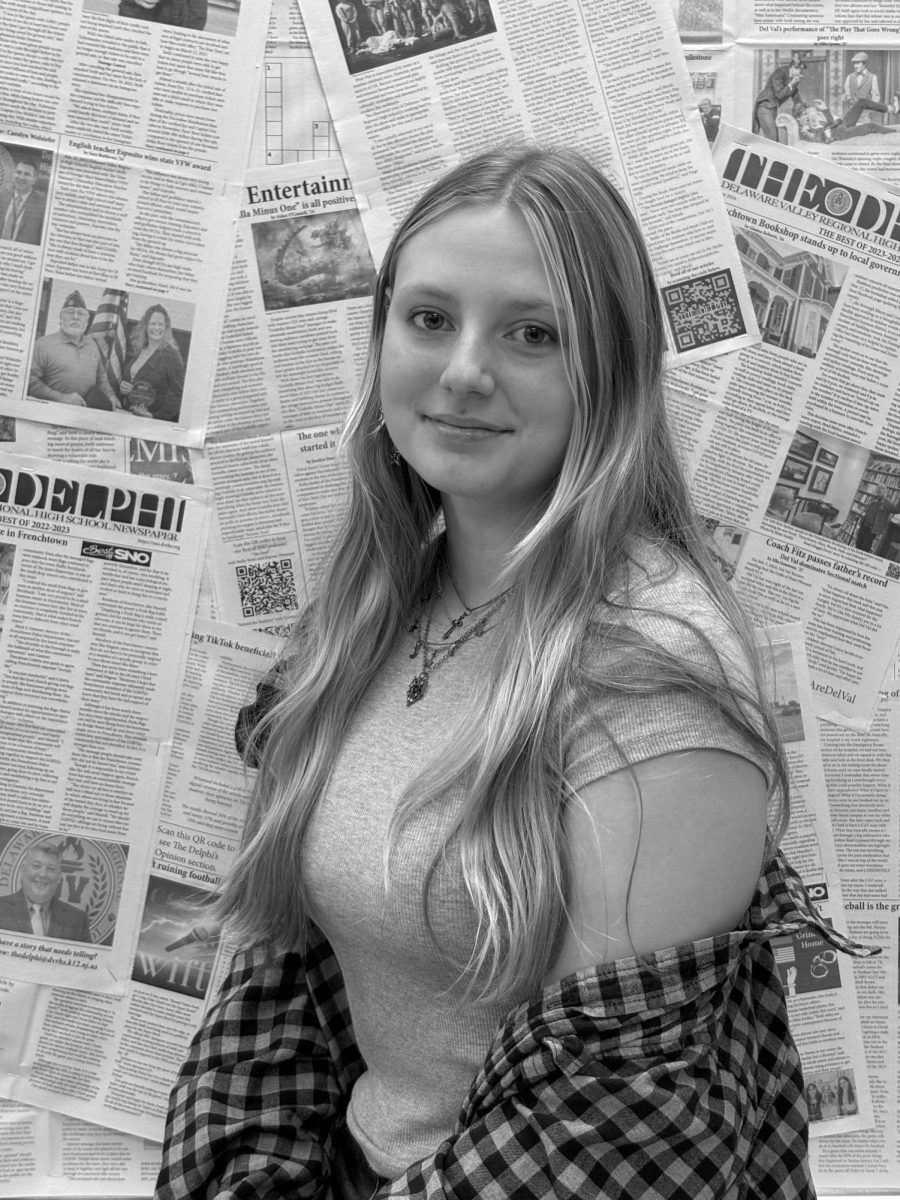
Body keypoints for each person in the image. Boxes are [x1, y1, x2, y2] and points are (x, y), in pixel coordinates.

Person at [156, 145, 875, 1200]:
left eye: (533, 334)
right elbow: (288, 985)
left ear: (609, 371)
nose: (462, 371)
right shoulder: (378, 606)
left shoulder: (649, 668)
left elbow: (606, 1136)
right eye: (429, 318)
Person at [28, 291, 118, 410]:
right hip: (52, 410)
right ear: (61, 318)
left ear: (87, 321)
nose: (75, 317)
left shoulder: (92, 345)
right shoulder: (43, 344)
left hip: (85, 412)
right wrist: (60, 397)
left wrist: (110, 395)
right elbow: (30, 381)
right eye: (70, 312)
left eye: (80, 313)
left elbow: (101, 377)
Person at [0, 844, 91, 942]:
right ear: (23, 869)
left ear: (59, 877)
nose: (43, 874)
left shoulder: (78, 919)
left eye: (50, 869)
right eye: (36, 866)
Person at [117, 304, 185, 422]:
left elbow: (178, 392)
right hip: (127, 412)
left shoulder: (171, 354)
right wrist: (123, 387)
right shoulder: (140, 348)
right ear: (146, 326)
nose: (156, 328)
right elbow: (131, 378)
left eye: (160, 324)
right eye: (153, 323)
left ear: (166, 327)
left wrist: (156, 416)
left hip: (150, 419)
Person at [753, 53, 805, 141]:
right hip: (764, 106)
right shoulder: (780, 72)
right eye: (800, 72)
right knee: (772, 138)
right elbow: (779, 94)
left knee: (776, 140)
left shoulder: (793, 81)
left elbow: (796, 98)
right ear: (793, 68)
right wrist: (792, 83)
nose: (801, 75)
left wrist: (805, 109)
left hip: (773, 108)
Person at [0, 156, 46, 245]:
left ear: (34, 179)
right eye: (19, 172)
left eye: (27, 174)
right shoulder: (2, 197)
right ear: (14, 174)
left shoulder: (42, 206)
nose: (21, 177)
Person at [844, 52, 880, 121]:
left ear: (864, 64)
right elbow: (847, 93)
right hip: (852, 113)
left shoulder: (872, 77)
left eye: (858, 63)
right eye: (854, 63)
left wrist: (870, 110)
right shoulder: (849, 77)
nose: (855, 66)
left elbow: (876, 96)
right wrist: (849, 99)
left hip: (866, 115)